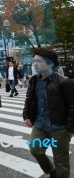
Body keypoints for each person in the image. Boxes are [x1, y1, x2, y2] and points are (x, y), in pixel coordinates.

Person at [23, 48, 74, 178]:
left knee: (61, 162)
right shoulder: (34, 80)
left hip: (59, 128)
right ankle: (51, 170)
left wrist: (70, 128)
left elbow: (72, 105)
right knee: (35, 150)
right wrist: (26, 115)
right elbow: (29, 99)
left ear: (50, 63)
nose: (35, 64)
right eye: (34, 61)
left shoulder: (64, 82)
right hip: (40, 125)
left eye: (39, 61)